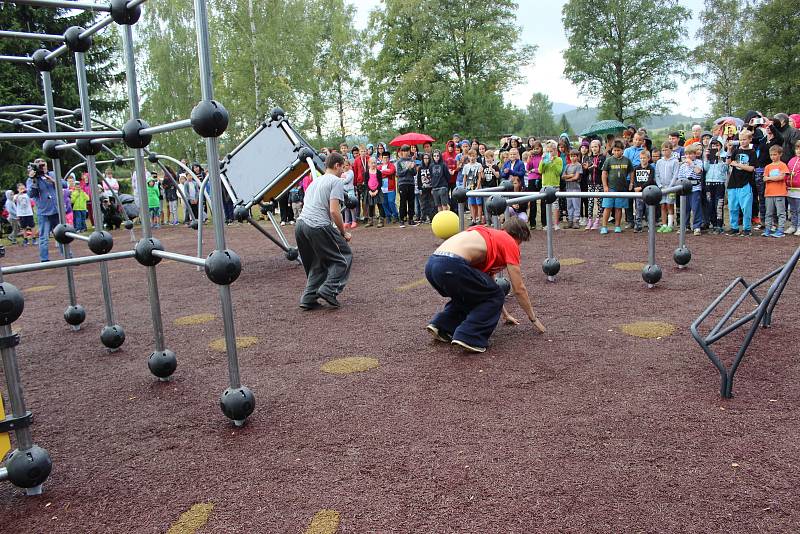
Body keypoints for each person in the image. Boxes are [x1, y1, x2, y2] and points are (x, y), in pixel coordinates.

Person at [424, 216, 545, 353]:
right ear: (519, 237)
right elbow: (519, 288)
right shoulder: (509, 241)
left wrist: (504, 314)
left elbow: (486, 285)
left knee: (471, 295)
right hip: (452, 265)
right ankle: (469, 336)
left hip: (432, 265)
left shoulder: (488, 236)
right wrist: (533, 318)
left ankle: (442, 326)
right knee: (494, 295)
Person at [294, 152, 352, 310]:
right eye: (343, 167)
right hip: (317, 225)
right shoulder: (336, 181)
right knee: (344, 257)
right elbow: (334, 211)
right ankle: (329, 290)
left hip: (300, 225)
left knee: (318, 261)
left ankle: (308, 298)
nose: (343, 172)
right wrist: (343, 232)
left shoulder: (315, 182)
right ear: (337, 165)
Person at [26, 159, 67, 262]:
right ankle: (44, 260)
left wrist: (53, 180)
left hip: (57, 210)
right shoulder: (31, 179)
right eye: (39, 166)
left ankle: (67, 256)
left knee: (62, 234)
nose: (42, 167)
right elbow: (31, 194)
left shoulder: (53, 174)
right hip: (44, 212)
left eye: (43, 165)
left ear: (47, 165)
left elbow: (64, 184)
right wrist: (34, 180)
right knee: (44, 237)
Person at [726, 129, 756, 236]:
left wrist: (738, 165)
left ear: (749, 140)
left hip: (745, 183)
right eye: (740, 140)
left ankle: (746, 228)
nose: (742, 142)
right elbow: (729, 162)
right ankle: (734, 228)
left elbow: (751, 168)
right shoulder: (736, 151)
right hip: (733, 182)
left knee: (746, 207)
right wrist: (729, 151)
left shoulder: (752, 153)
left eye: (744, 139)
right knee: (733, 207)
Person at [600, 140, 634, 235]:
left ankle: (617, 226)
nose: (616, 152)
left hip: (622, 188)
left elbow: (632, 171)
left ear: (622, 150)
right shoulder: (609, 160)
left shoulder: (627, 160)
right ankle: (604, 226)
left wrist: (631, 183)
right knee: (608, 207)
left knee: (619, 208)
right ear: (612, 150)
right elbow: (604, 173)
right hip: (610, 188)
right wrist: (605, 186)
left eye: (618, 150)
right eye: (615, 150)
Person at [762, 145, 789, 237]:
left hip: (780, 193)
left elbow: (782, 177)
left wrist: (770, 178)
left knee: (780, 213)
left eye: (775, 154)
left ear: (780, 154)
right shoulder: (768, 167)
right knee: (768, 213)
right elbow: (764, 179)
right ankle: (768, 229)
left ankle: (780, 230)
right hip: (769, 193)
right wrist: (774, 178)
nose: (773, 157)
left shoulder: (783, 165)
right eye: (771, 155)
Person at [703, 138, 728, 234]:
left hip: (719, 183)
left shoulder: (724, 155)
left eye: (717, 145)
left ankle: (719, 225)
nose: (715, 147)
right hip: (709, 182)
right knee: (710, 204)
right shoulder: (708, 155)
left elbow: (725, 169)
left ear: (721, 145)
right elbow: (705, 169)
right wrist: (706, 158)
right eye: (713, 145)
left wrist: (720, 159)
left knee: (719, 205)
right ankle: (713, 224)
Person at [678, 145, 704, 235]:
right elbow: (680, 177)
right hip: (685, 189)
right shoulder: (682, 166)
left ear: (695, 154)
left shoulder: (699, 162)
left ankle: (697, 226)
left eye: (691, 154)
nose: (689, 156)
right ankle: (685, 226)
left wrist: (692, 164)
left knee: (696, 207)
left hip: (695, 188)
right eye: (687, 154)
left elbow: (698, 171)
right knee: (685, 208)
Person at [656, 142, 680, 232]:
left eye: (666, 150)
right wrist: (660, 185)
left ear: (671, 150)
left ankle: (670, 225)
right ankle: (664, 224)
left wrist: (670, 187)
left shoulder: (675, 161)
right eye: (663, 150)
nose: (664, 152)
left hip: (671, 188)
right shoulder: (659, 162)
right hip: (662, 188)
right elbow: (657, 174)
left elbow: (675, 175)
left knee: (670, 205)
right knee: (662, 205)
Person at [538, 142, 563, 229]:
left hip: (555, 185)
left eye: (551, 151)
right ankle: (548, 224)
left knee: (555, 205)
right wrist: (542, 161)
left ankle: (556, 224)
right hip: (545, 185)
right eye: (547, 151)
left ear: (555, 151)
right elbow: (540, 170)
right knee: (546, 205)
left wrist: (552, 163)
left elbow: (558, 172)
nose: (549, 153)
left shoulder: (559, 160)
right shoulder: (544, 160)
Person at [632, 150, 656, 232]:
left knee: (649, 209)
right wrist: (636, 187)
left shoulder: (651, 168)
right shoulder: (636, 168)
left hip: (648, 192)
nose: (642, 160)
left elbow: (650, 180)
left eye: (644, 158)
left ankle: (650, 225)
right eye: (641, 158)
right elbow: (634, 179)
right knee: (638, 209)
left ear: (648, 158)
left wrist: (641, 187)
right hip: (638, 193)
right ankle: (638, 225)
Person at [584, 139, 605, 230]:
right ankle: (589, 220)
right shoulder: (588, 158)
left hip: (599, 182)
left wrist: (598, 167)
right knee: (590, 202)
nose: (594, 148)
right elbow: (586, 171)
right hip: (590, 183)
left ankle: (597, 220)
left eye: (596, 146)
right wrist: (586, 168)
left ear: (599, 147)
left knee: (599, 202)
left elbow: (604, 170)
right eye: (592, 147)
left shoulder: (602, 157)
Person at [395, 144, 417, 227]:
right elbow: (399, 174)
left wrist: (411, 168)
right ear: (401, 152)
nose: (405, 153)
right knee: (403, 202)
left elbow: (414, 173)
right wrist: (407, 168)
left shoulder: (412, 161)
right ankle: (402, 219)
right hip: (402, 184)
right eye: (404, 151)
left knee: (411, 201)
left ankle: (411, 219)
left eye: (407, 151)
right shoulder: (399, 161)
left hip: (411, 183)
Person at [461, 149, 483, 225]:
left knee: (479, 204)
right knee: (472, 204)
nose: (472, 158)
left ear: (476, 156)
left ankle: (479, 219)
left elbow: (480, 177)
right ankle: (473, 219)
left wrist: (478, 186)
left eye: (474, 156)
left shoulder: (479, 165)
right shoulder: (466, 166)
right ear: (468, 156)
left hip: (477, 188)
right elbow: (464, 177)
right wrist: (464, 187)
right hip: (469, 187)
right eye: (470, 156)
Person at [562, 149, 582, 228]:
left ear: (577, 157)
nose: (572, 158)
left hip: (576, 188)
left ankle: (576, 221)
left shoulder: (579, 165)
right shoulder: (567, 166)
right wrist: (571, 175)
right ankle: (570, 221)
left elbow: (576, 177)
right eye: (571, 156)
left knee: (576, 205)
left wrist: (568, 178)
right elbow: (563, 176)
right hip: (568, 188)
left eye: (574, 156)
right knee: (569, 205)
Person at [364, 157, 385, 228]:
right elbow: (366, 183)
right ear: (369, 164)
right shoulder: (367, 173)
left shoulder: (378, 172)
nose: (373, 164)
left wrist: (376, 191)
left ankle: (381, 220)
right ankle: (370, 221)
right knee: (370, 206)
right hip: (370, 191)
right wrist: (369, 191)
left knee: (380, 205)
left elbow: (380, 183)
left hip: (377, 191)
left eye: (374, 163)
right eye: (371, 163)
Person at [379, 152, 399, 223]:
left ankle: (396, 215)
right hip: (382, 189)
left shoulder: (392, 165)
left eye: (387, 157)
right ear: (381, 158)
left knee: (391, 202)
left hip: (391, 188)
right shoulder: (379, 167)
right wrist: (385, 172)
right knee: (384, 203)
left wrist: (383, 172)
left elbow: (391, 172)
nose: (386, 159)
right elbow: (378, 174)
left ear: (389, 158)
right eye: (384, 157)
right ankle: (388, 216)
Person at [417, 153, 434, 224]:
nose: (426, 160)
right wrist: (419, 188)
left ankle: (431, 217)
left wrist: (433, 187)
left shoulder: (432, 167)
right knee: (423, 204)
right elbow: (418, 179)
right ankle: (423, 217)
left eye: (427, 158)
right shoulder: (420, 168)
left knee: (431, 203)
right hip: (423, 188)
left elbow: (433, 178)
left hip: (430, 188)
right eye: (424, 158)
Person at [787, 140, 800, 236]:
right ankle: (793, 225)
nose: (798, 150)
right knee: (792, 209)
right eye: (797, 148)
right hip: (790, 189)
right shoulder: (791, 160)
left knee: (799, 209)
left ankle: (799, 226)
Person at [341, 159, 357, 229]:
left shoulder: (351, 172)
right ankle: (346, 222)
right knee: (345, 206)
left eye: (347, 165)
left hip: (350, 191)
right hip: (344, 191)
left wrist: (341, 180)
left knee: (352, 206)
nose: (345, 167)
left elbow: (347, 181)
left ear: (349, 166)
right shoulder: (341, 172)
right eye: (344, 165)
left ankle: (354, 221)